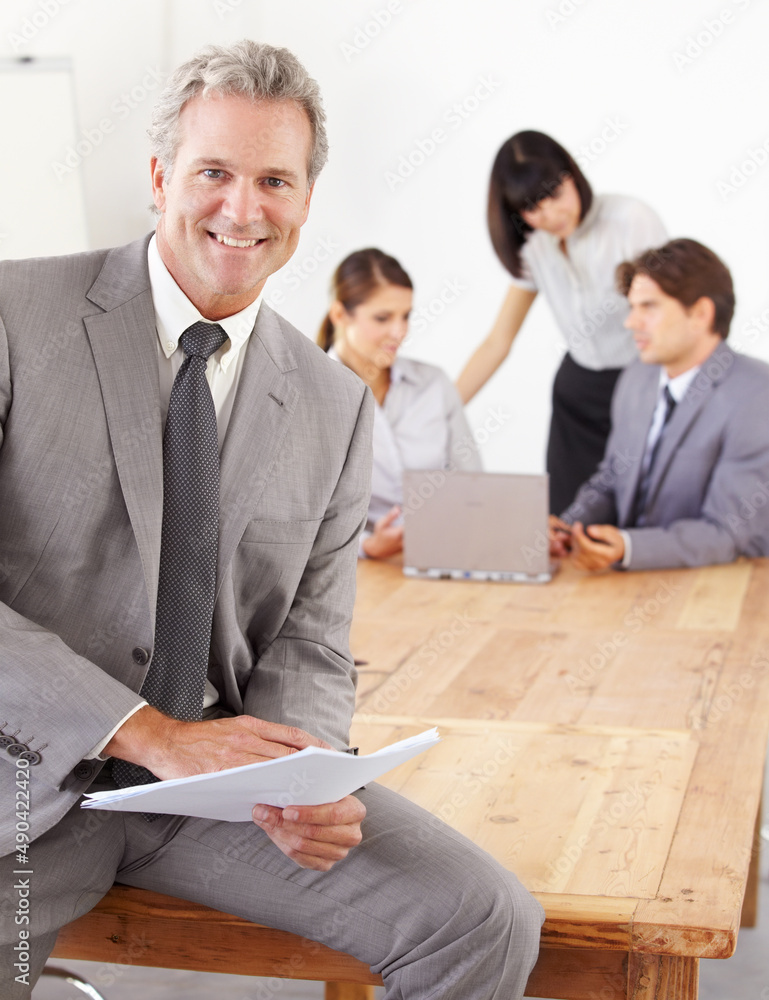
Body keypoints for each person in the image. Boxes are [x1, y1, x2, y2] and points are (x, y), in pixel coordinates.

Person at [0, 40, 544, 999]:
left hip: (214, 796)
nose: (242, 208)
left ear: (303, 200)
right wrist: (141, 730)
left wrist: (301, 777)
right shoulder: (15, 314)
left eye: (274, 180)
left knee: (482, 919)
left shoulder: (334, 406)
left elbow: (310, 640)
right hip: (25, 783)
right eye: (214, 171)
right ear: (164, 175)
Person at [456, 130, 667, 513]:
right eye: (531, 208)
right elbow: (498, 341)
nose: (549, 216)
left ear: (573, 174)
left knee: (640, 519)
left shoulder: (630, 220)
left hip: (641, 385)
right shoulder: (535, 246)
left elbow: (669, 315)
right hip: (578, 394)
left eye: (554, 196)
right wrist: (443, 408)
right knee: (565, 523)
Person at [548, 238, 769, 572]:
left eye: (649, 307)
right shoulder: (637, 378)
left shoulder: (756, 394)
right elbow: (611, 479)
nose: (631, 323)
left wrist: (630, 548)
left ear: (700, 314)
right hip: (632, 583)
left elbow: (726, 533)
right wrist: (570, 527)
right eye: (632, 307)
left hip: (721, 587)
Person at [318, 248, 481, 559]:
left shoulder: (434, 385)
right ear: (339, 315)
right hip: (354, 572)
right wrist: (367, 546)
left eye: (406, 316)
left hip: (442, 556)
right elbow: (294, 521)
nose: (400, 331)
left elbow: (473, 483)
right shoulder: (307, 396)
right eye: (383, 318)